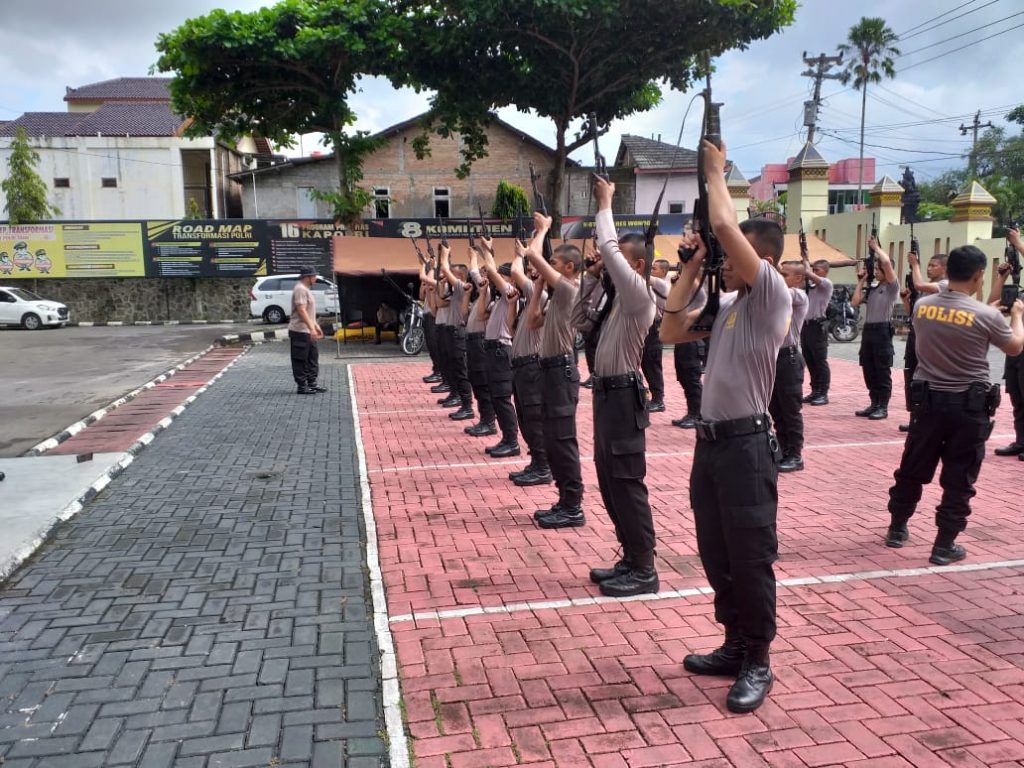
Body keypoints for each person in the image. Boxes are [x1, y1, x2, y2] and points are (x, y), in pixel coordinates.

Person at [661, 138, 790, 715]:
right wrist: (690, 269)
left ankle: (758, 658)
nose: (725, 260)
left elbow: (721, 220)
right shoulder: (732, 306)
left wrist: (713, 174)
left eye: (733, 253)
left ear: (757, 259)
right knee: (716, 551)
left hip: (746, 446)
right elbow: (668, 331)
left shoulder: (769, 294)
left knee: (750, 553)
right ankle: (734, 642)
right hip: (711, 448)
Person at [885, 245, 1023, 564]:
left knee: (912, 469)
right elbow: (1015, 347)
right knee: (959, 477)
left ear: (948, 271)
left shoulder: (923, 306)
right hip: (968, 407)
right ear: (978, 276)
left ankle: (896, 528)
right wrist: (1017, 317)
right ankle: (944, 545)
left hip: (928, 403)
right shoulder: (986, 315)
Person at [575, 176, 659, 597]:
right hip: (607, 397)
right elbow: (577, 320)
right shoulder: (614, 300)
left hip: (624, 396)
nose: (609, 265)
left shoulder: (640, 296)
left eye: (618, 263)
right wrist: (591, 277)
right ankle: (629, 557)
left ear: (636, 267)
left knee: (627, 483)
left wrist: (605, 204)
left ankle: (645, 568)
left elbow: (609, 248)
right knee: (609, 481)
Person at [526, 215, 585, 529]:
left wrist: (543, 230)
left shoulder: (569, 291)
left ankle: (573, 505)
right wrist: (537, 286)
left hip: (561, 371)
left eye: (554, 262)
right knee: (552, 438)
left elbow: (531, 254)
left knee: (562, 440)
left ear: (569, 268)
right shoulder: (556, 294)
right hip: (549, 371)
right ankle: (564, 500)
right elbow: (533, 321)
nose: (547, 265)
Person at [508, 239, 551, 486]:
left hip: (533, 366)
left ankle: (544, 466)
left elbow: (515, 271)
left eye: (536, 269)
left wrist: (521, 254)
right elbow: (511, 330)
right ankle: (536, 461)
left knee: (534, 418)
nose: (531, 273)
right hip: (522, 366)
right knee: (525, 417)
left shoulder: (541, 294)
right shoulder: (530, 300)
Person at [478, 237, 521, 458]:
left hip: (501, 350)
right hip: (493, 350)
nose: (496, 279)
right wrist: (485, 289)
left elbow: (493, 273)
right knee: (496, 396)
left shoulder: (512, 293)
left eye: (501, 276)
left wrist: (487, 250)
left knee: (503, 398)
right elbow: (479, 314)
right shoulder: (500, 299)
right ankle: (507, 438)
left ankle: (512, 441)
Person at [898, 252, 948, 431]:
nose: (929, 268)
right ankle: (915, 417)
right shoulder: (926, 290)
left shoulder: (944, 285)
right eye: (928, 264)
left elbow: (919, 283)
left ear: (945, 268)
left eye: (933, 265)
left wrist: (915, 265)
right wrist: (906, 301)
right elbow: (914, 314)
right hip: (915, 335)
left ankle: (927, 419)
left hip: (930, 339)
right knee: (912, 376)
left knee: (927, 378)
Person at [851, 237, 899, 419]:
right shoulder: (873, 288)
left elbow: (886, 262)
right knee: (868, 368)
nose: (877, 272)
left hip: (882, 331)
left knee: (882, 370)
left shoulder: (892, 288)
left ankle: (883, 406)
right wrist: (861, 281)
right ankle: (874, 403)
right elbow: (854, 302)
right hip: (869, 331)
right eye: (876, 269)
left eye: (879, 269)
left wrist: (876, 248)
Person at [800, 256, 857, 405]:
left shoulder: (826, 284)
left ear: (825, 271)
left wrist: (805, 265)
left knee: (820, 361)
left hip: (817, 326)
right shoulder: (811, 287)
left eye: (817, 270)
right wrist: (805, 258)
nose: (813, 272)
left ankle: (823, 393)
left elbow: (809, 274)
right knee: (810, 360)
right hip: (806, 326)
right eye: (813, 269)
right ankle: (815, 390)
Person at [769, 262, 809, 472]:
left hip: (788, 359)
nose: (780, 277)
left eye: (784, 274)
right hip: (773, 358)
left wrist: (770, 269)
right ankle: (783, 449)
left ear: (798, 279)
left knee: (790, 410)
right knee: (775, 408)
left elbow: (778, 290)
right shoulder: (777, 295)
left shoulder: (798, 296)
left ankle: (795, 454)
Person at [992, 227, 1024, 459]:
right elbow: (995, 304)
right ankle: (1021, 441)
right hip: (1016, 348)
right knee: (1016, 394)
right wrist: (1003, 276)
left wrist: (1019, 243)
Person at [438, 243, 476, 422]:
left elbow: (445, 268)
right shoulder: (456, 290)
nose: (449, 275)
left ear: (460, 275)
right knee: (455, 368)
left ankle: (467, 405)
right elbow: (439, 297)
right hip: (453, 332)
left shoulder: (463, 286)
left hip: (459, 332)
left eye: (454, 273)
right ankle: (462, 400)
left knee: (461, 370)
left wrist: (444, 255)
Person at [464, 248, 497, 437]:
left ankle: (489, 421)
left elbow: (476, 274)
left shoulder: (491, 291)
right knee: (476, 382)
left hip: (480, 343)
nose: (482, 275)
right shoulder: (482, 293)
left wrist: (474, 258)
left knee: (483, 384)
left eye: (487, 272)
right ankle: (485, 419)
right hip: (473, 342)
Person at [289, 265, 326, 395]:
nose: (315, 278)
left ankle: (312, 383)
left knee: (312, 357)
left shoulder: (306, 289)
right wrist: (311, 328)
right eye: (314, 276)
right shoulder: (300, 289)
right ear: (307, 277)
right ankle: (302, 386)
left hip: (307, 330)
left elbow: (309, 312)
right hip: (300, 330)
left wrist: (315, 326)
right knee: (300, 358)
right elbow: (301, 310)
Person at [640, 258, 671, 413]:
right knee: (645, 364)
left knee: (652, 364)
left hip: (655, 328)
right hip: (646, 328)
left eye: (654, 268)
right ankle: (654, 396)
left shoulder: (662, 285)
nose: (651, 271)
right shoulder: (652, 286)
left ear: (664, 272)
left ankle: (659, 400)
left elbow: (644, 276)